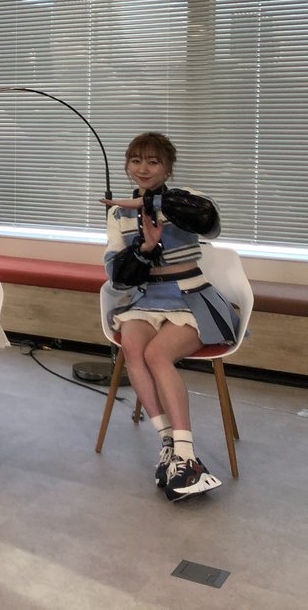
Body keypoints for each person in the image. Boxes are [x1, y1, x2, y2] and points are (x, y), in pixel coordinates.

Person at [101, 132, 240, 501]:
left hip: (191, 296)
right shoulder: (118, 214)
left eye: (153, 161)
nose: (143, 169)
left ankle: (187, 455)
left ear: (168, 168)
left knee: (156, 355)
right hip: (148, 298)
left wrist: (152, 201)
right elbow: (117, 274)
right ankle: (169, 445)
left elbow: (209, 222)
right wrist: (146, 247)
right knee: (133, 349)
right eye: (136, 160)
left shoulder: (185, 200)